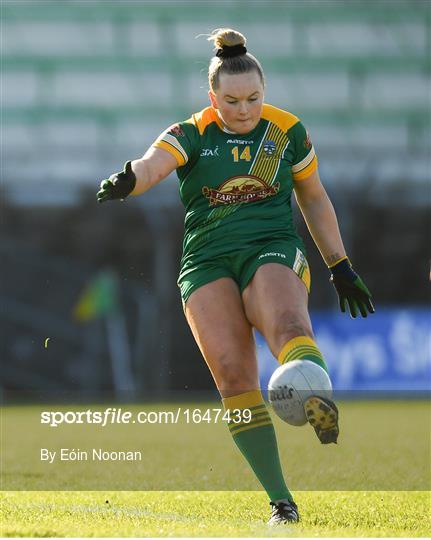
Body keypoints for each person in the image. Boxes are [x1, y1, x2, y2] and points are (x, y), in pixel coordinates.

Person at [97, 28, 374, 525]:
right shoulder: (192, 132)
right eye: (231, 100)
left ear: (264, 92)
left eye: (253, 98)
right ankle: (282, 503)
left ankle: (314, 391)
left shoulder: (285, 131)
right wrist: (128, 180)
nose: (244, 110)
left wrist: (340, 265)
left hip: (269, 245)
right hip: (205, 260)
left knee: (288, 326)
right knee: (233, 378)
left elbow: (312, 196)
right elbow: (153, 166)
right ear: (212, 97)